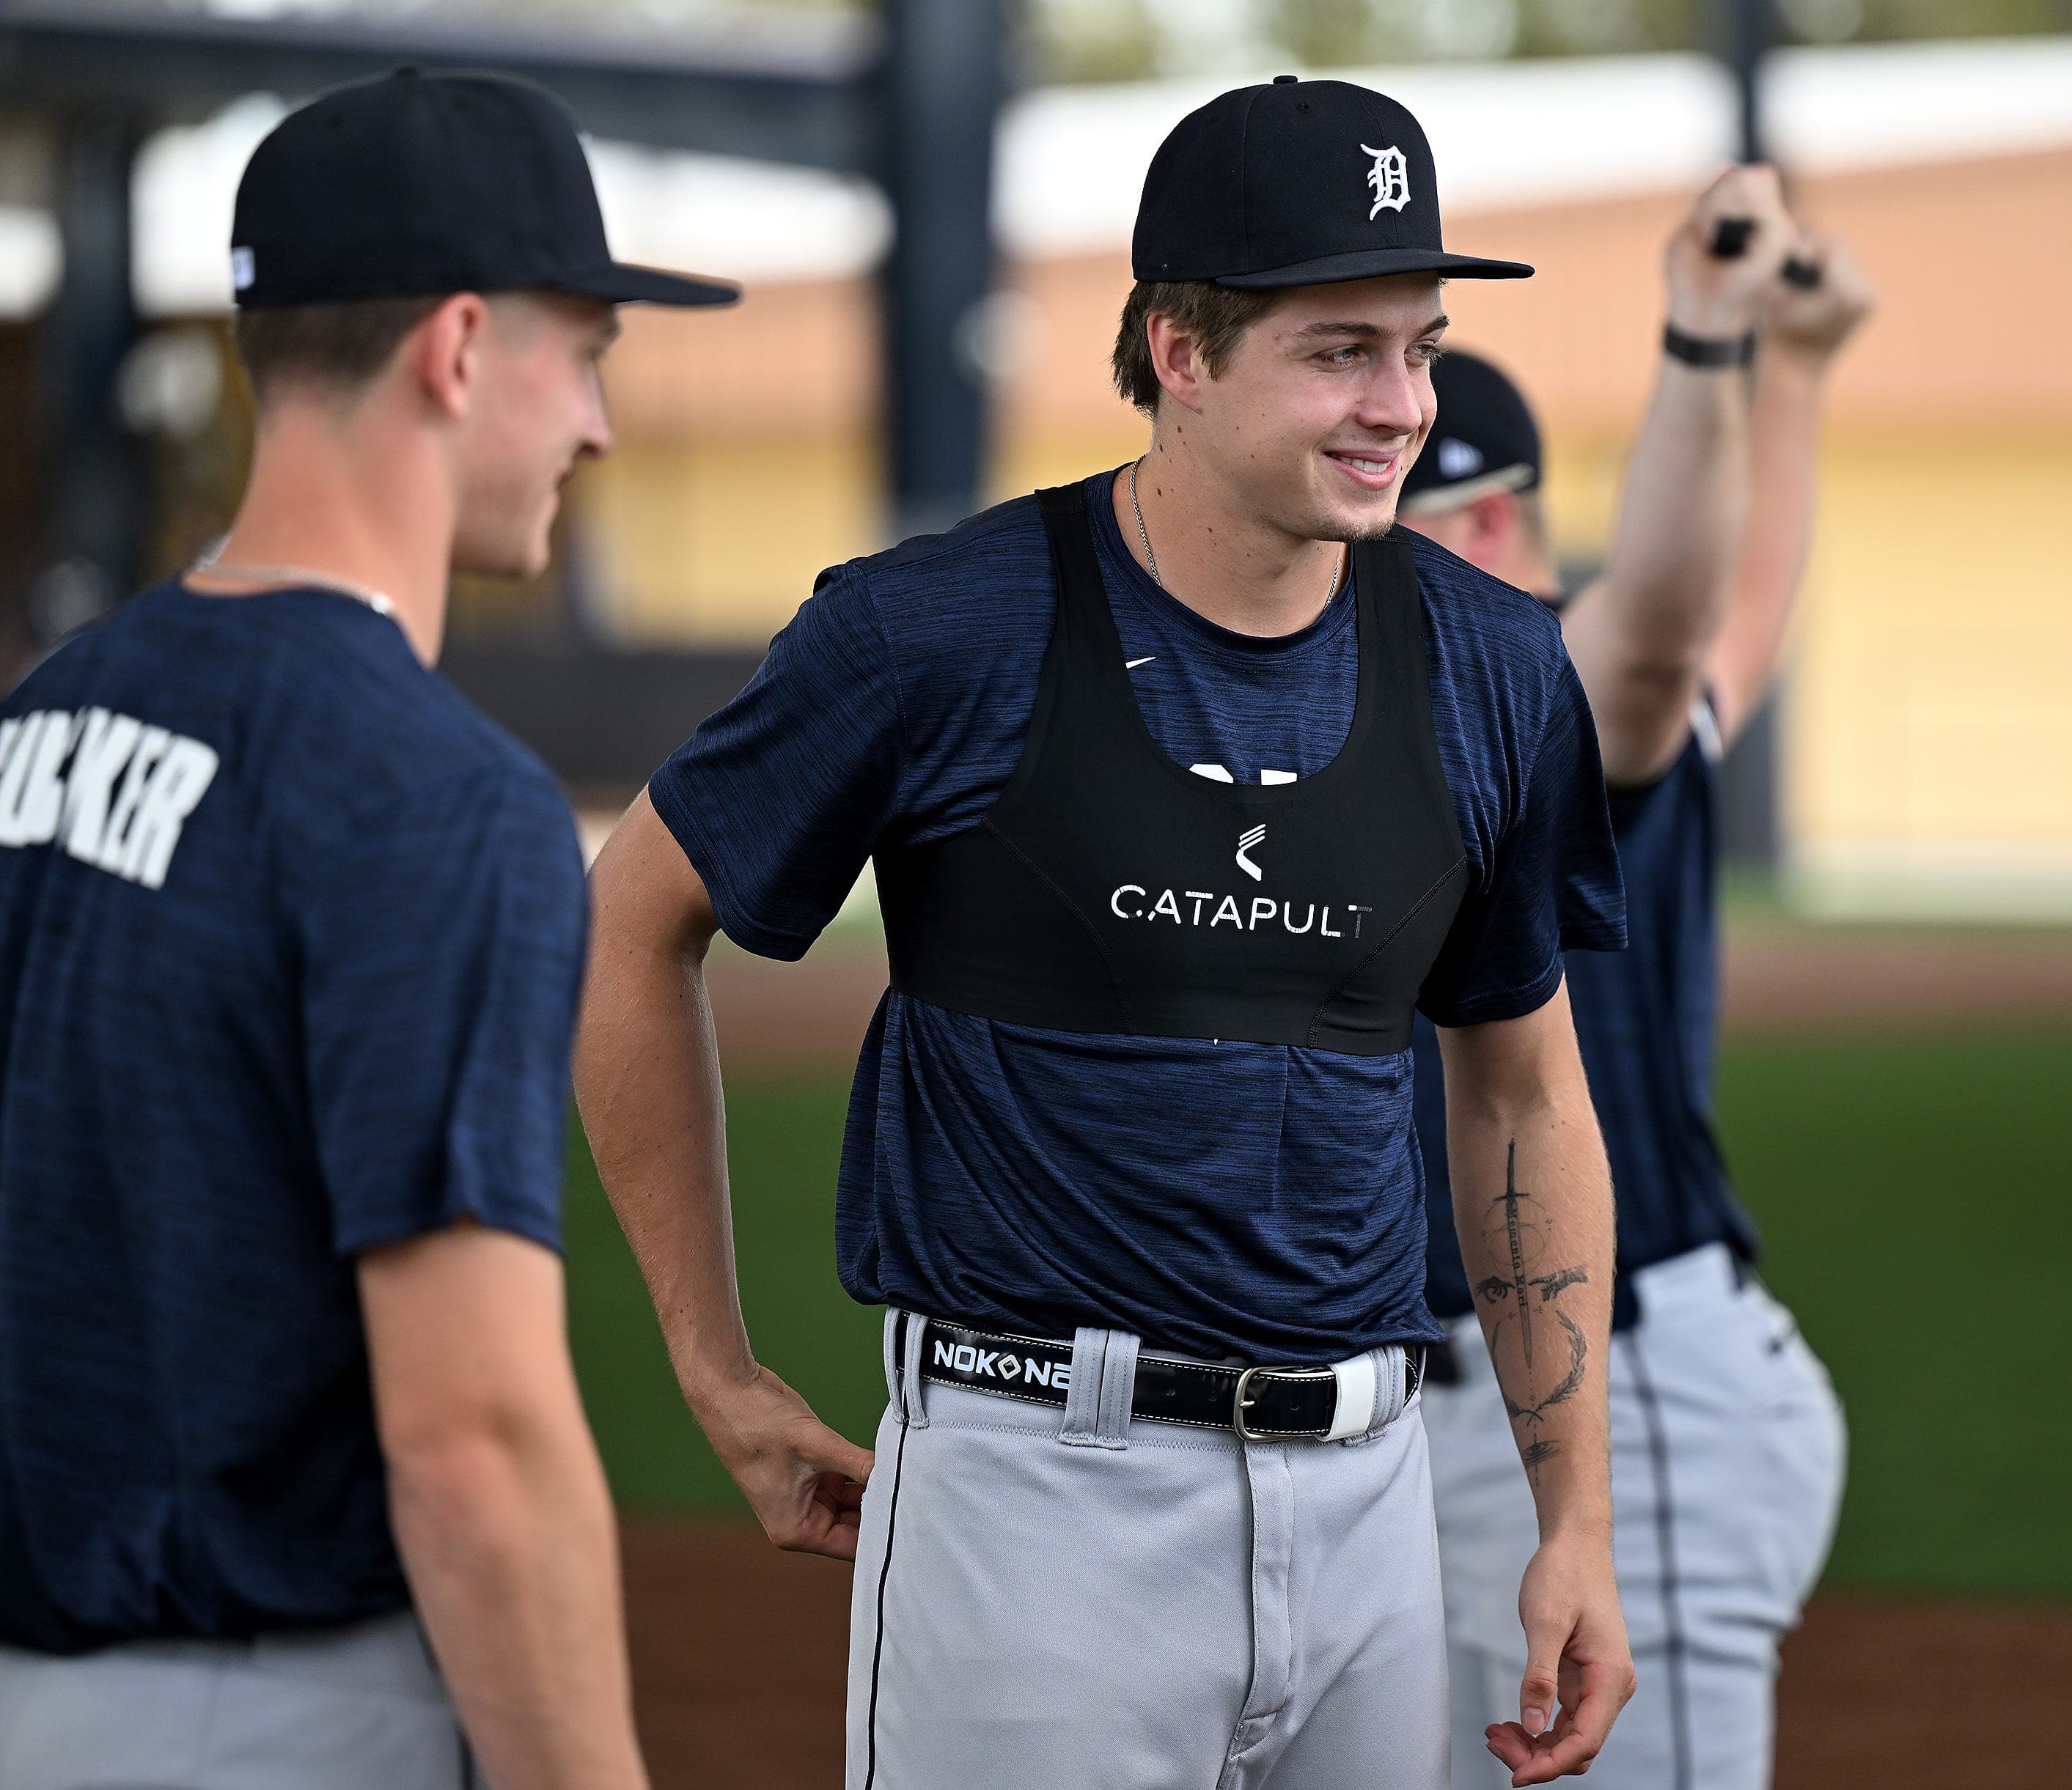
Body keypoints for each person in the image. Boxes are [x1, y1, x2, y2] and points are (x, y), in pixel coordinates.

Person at [578, 76, 1632, 1790]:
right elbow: (631, 926)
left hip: (1374, 1497)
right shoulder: (932, 632)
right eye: (1339, 351)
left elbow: (1519, 1093)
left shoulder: (1494, 667)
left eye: (1419, 346)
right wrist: (712, 1362)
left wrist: (1569, 1515)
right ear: (1180, 348)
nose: (1403, 408)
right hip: (1031, 1509)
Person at [0, 68, 738, 1790]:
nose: (597, 424)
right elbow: (471, 1443)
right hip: (280, 1727)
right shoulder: (430, 794)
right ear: (460, 349)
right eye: (589, 351)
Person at [1395, 182, 1878, 1790]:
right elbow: (1744, 603)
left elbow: (1667, 628)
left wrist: (1703, 339)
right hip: (1474, 1408)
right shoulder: (1422, 704)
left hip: (1628, 1400)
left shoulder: (1547, 692)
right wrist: (1794, 373)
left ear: (1471, 522)